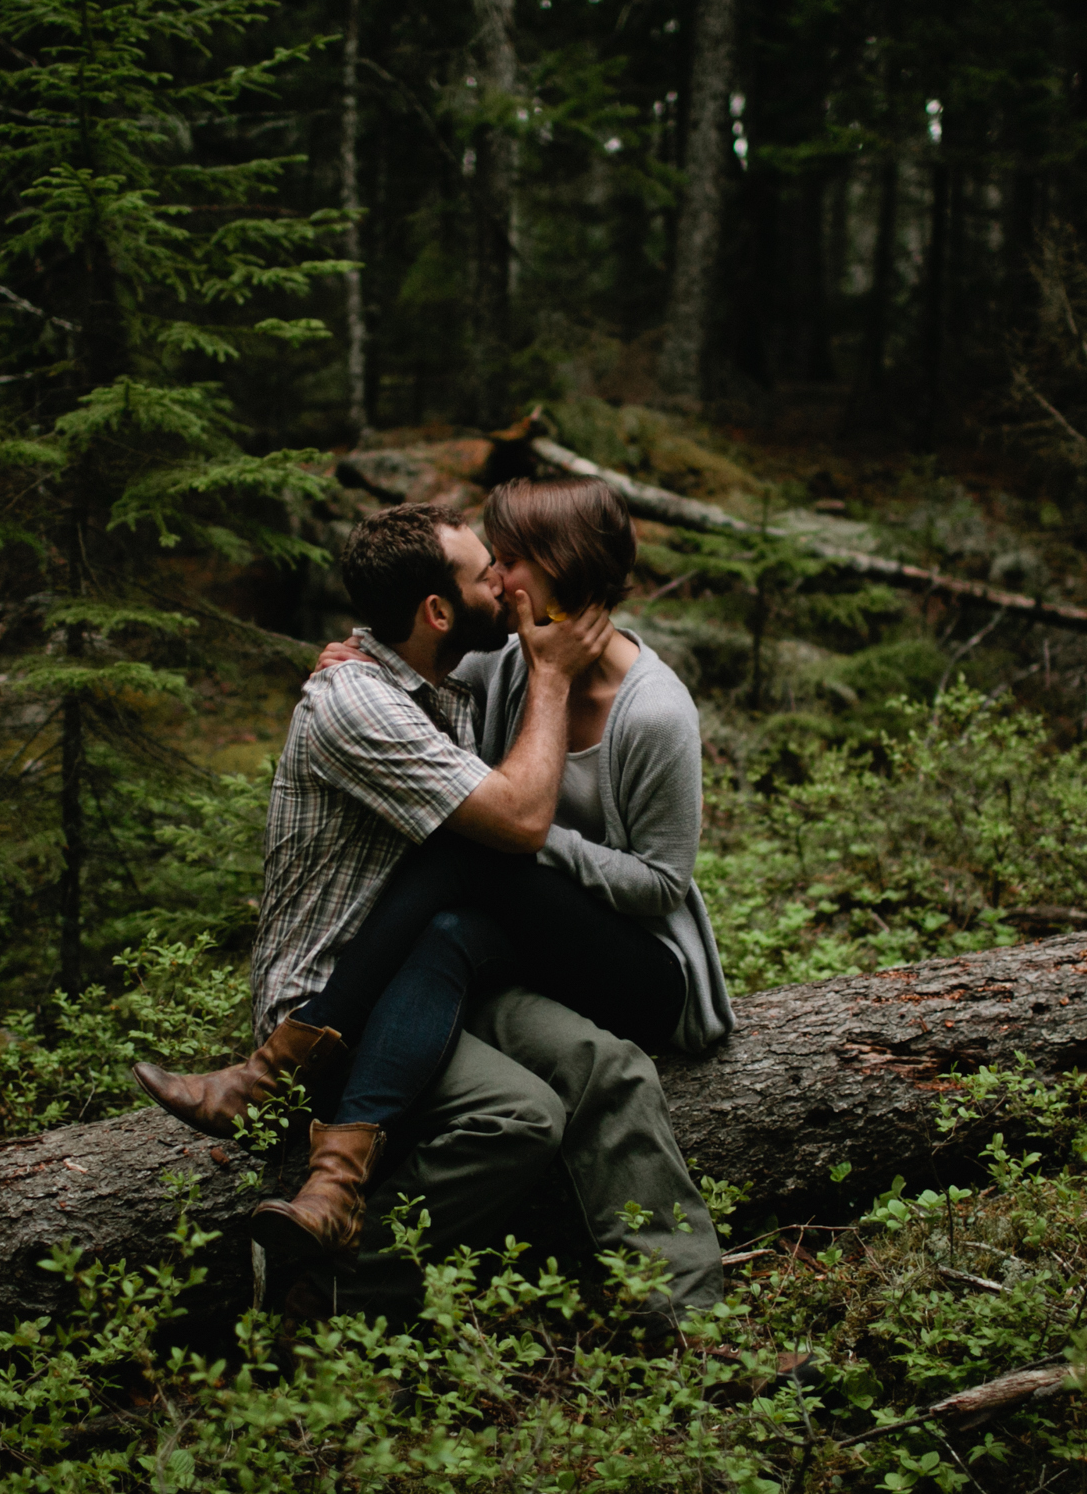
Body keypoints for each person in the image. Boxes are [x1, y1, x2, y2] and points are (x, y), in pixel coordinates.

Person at [131, 494, 727, 1324]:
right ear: (444, 610)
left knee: (598, 1044)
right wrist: (358, 665)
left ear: (566, 579)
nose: (504, 580)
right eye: (491, 567)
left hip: (539, 949)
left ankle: (688, 1316)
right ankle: (332, 1272)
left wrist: (531, 833)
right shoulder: (476, 671)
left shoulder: (643, 708)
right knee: (527, 1088)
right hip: (430, 958)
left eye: (510, 561)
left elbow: (606, 862)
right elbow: (409, 683)